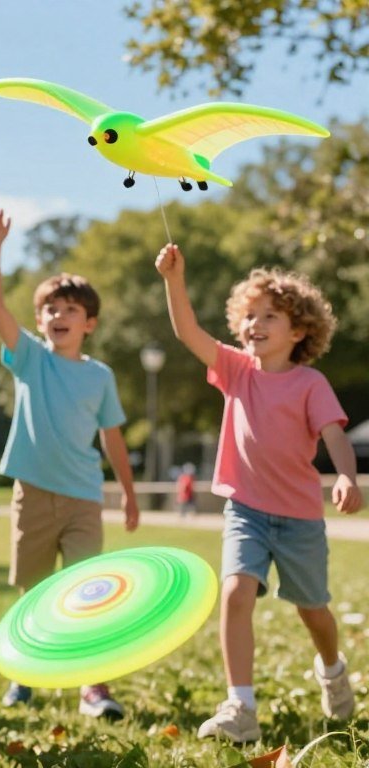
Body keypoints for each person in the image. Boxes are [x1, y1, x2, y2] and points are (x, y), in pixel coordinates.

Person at [156, 244, 363, 743]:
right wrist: (173, 279)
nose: (255, 324)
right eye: (248, 315)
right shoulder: (235, 371)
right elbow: (187, 331)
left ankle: (332, 669)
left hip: (299, 518)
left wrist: (347, 476)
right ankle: (240, 706)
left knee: (314, 611)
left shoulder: (311, 384)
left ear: (298, 332)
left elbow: (335, 435)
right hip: (245, 509)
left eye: (269, 316)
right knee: (235, 592)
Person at [0, 210, 139, 717]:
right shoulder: (29, 357)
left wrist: (130, 495)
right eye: (50, 308)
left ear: (88, 323)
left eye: (70, 308)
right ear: (41, 319)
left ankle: (94, 687)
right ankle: (24, 675)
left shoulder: (101, 377)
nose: (59, 315)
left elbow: (112, 439)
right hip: (32, 495)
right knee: (34, 591)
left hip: (84, 498)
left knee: (88, 593)